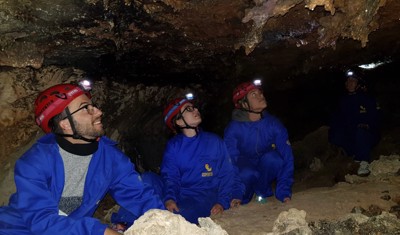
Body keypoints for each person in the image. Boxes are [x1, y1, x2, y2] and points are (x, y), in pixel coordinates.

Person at [0, 80, 164, 235]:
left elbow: (138, 195)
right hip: (18, 228)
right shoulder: (34, 162)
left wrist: (166, 222)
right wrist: (100, 231)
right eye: (86, 108)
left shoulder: (110, 158)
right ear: (65, 124)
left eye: (94, 106)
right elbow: (41, 221)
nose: (99, 112)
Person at [160, 93, 241, 224]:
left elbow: (227, 174)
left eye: (194, 107)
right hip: (181, 192)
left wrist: (222, 202)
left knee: (178, 218)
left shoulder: (214, 141)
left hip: (204, 195)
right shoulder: (174, 146)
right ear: (179, 121)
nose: (196, 110)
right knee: (147, 180)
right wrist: (169, 198)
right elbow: (170, 176)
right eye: (189, 109)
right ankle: (121, 225)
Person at [224, 79, 294, 205]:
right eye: (253, 95)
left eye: (260, 93)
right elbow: (230, 162)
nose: (260, 96)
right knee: (248, 173)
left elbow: (287, 157)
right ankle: (244, 197)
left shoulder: (273, 124)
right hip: (244, 166)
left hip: (263, 163)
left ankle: (261, 192)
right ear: (244, 104)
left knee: (274, 159)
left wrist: (284, 192)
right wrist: (236, 193)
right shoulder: (234, 129)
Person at [328, 69, 381, 176]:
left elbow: (377, 116)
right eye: (348, 81)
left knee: (360, 132)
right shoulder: (343, 100)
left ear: (358, 84)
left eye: (353, 81)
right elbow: (336, 119)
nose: (349, 83)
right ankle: (353, 157)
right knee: (335, 135)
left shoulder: (367, 99)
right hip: (350, 134)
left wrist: (367, 124)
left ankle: (364, 162)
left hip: (367, 134)